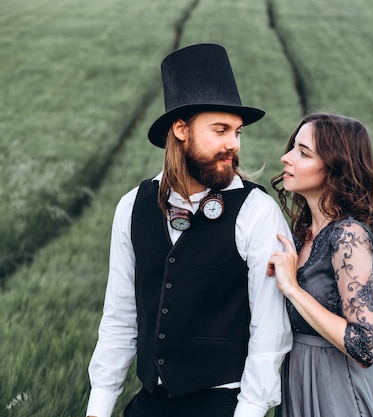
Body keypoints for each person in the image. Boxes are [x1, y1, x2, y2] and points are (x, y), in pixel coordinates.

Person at [86, 43, 292, 417]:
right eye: (220, 130)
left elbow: (270, 335)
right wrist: (98, 409)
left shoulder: (258, 212)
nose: (233, 144)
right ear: (181, 130)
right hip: (149, 402)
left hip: (224, 405)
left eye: (238, 131)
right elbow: (119, 317)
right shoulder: (132, 206)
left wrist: (247, 412)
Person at [267, 113, 373, 417]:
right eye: (292, 148)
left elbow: (366, 346)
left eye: (303, 153)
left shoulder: (348, 236)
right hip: (298, 384)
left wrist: (292, 289)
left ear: (334, 169)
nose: (285, 158)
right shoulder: (302, 234)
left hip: (340, 392)